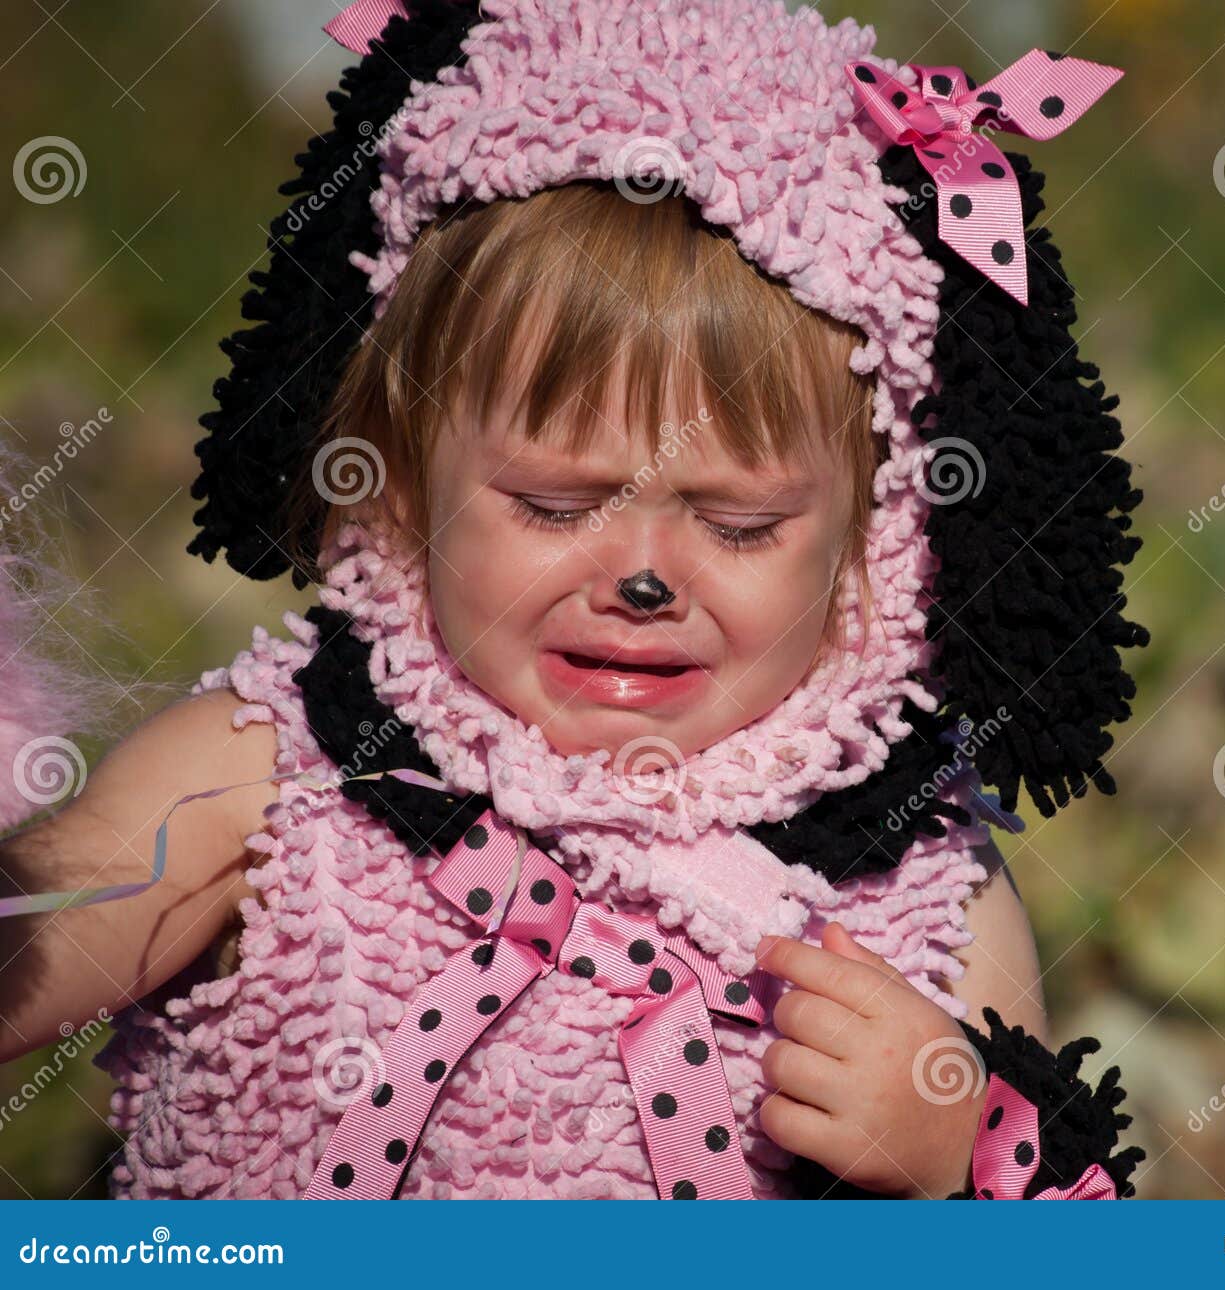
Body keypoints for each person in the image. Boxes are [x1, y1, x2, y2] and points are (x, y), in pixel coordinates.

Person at [0, 0, 1148, 1200]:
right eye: (553, 505)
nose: (642, 577)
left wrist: (950, 1153)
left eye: (739, 523)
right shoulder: (280, 771)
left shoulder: (912, 876)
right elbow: (34, 946)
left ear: (875, 547)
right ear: (392, 489)